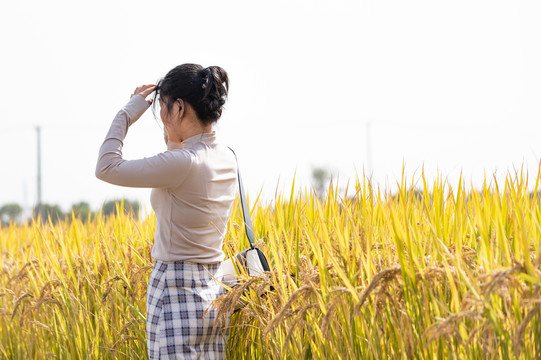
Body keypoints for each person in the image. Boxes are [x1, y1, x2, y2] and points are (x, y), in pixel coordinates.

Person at [95, 63, 237, 359]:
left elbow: (106, 167)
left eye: (164, 108)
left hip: (175, 294)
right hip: (212, 294)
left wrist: (126, 113)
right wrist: (173, 130)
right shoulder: (225, 156)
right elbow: (177, 156)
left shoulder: (184, 163)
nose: (161, 116)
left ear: (180, 108)